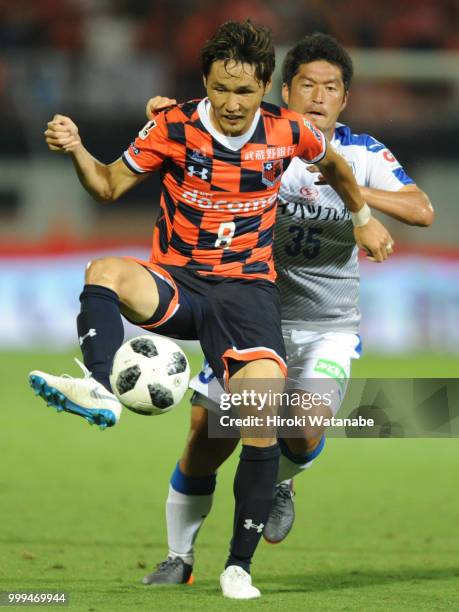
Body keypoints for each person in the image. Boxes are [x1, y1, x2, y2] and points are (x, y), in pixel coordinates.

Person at [29, 21, 393, 599]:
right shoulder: (172, 125)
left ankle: (237, 566)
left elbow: (338, 169)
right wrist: (77, 149)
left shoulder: (288, 131)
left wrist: (362, 218)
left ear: (264, 88)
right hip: (178, 282)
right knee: (103, 272)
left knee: (258, 417)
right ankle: (99, 387)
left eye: (245, 92)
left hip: (247, 295)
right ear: (205, 82)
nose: (231, 103)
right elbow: (104, 187)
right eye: (221, 89)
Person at [141, 33, 433, 587]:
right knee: (207, 439)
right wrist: (158, 112)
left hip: (326, 327)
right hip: (247, 315)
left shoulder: (361, 154)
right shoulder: (256, 138)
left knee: (301, 427)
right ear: (283, 88)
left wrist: (358, 199)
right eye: (307, 85)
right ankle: (178, 558)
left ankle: (280, 479)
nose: (318, 97)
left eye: (331, 88)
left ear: (345, 100)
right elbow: (190, 123)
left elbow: (422, 210)